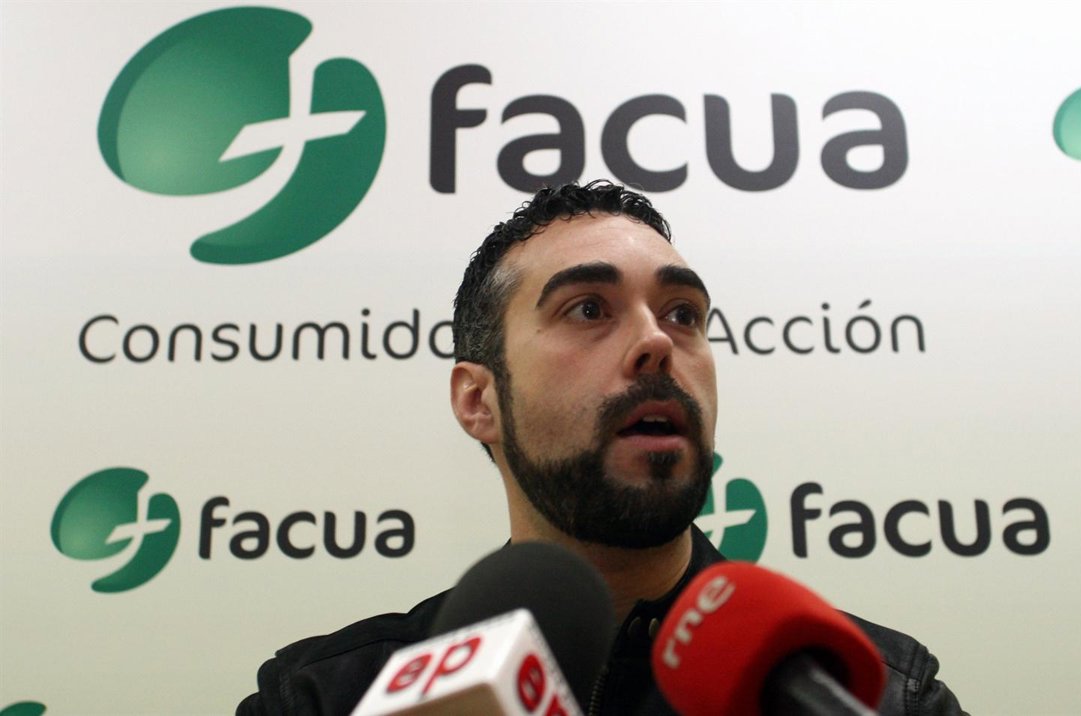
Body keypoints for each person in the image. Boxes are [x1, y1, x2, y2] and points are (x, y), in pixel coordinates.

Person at [237, 180, 965, 715]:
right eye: (588, 309)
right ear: (478, 399)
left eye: (683, 314)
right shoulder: (324, 698)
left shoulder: (876, 694)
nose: (656, 341)